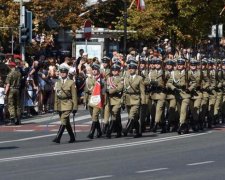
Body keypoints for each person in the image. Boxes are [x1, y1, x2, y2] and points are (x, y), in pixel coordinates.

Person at [53, 64, 78, 144]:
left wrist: (75, 107)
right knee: (66, 122)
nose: (62, 74)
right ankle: (72, 137)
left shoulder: (71, 82)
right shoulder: (58, 82)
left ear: (67, 73)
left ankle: (58, 137)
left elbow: (74, 96)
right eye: (61, 72)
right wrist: (55, 106)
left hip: (68, 103)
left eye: (64, 72)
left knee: (63, 120)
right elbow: (56, 95)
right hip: (60, 103)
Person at [84, 63, 104, 139]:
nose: (94, 71)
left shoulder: (101, 79)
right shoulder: (88, 79)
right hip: (90, 100)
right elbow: (86, 90)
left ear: (98, 70)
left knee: (95, 116)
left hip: (97, 100)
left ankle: (91, 133)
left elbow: (103, 90)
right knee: (93, 117)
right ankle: (99, 131)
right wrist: (85, 101)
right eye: (93, 70)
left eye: (96, 70)